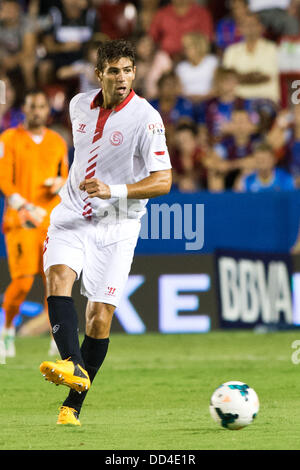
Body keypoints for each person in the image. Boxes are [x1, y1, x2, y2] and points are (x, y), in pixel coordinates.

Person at [39, 39, 172, 426]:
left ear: (135, 73)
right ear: (99, 74)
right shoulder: (78, 105)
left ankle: (72, 404)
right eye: (114, 71)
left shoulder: (146, 118)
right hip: (71, 216)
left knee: (99, 318)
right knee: (57, 276)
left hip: (117, 225)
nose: (122, 78)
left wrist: (113, 190)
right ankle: (71, 364)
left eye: (128, 70)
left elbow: (163, 180)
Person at [0, 89, 69, 357]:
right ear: (24, 110)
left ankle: (58, 336)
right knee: (23, 282)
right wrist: (22, 204)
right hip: (21, 221)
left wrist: (59, 183)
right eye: (32, 106)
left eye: (42, 106)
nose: (37, 111)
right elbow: (4, 178)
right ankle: (6, 330)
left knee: (55, 280)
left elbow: (65, 177)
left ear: (47, 111)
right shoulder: (9, 139)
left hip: (51, 221)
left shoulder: (57, 142)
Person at [223, 13, 280, 103]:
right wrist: (257, 77)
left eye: (253, 24)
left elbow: (269, 77)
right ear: (240, 29)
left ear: (261, 27)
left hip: (267, 100)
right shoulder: (231, 51)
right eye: (246, 25)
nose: (249, 28)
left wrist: (242, 77)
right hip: (238, 102)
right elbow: (228, 79)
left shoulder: (274, 49)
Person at [149, 0, 213, 59]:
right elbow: (152, 38)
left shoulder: (201, 13)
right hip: (167, 61)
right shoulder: (162, 13)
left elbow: (207, 38)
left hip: (195, 60)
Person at [175, 32, 219, 103]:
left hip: (209, 101)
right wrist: (191, 98)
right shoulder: (181, 67)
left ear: (198, 46)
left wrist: (202, 98)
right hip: (187, 103)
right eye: (184, 47)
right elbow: (178, 90)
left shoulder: (212, 62)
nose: (185, 50)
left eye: (188, 47)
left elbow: (217, 87)